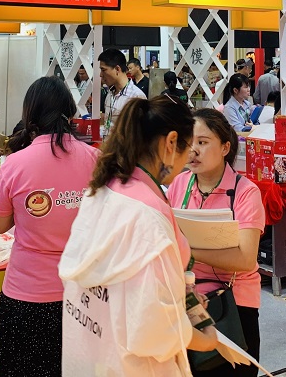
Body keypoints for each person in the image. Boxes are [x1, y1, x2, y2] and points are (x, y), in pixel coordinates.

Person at [58, 96, 219, 376]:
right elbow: (151, 329)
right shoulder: (147, 215)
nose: (186, 161)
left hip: (93, 351)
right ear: (171, 143)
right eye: (188, 148)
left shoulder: (104, 190)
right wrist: (205, 340)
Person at [0, 77, 99, 377]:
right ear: (70, 112)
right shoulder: (96, 160)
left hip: (28, 295)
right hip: (84, 295)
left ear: (30, 113)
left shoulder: (15, 163)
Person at [167, 109, 265, 377]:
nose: (193, 150)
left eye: (202, 142)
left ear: (225, 147)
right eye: (189, 142)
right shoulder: (179, 184)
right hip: (187, 300)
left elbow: (245, 259)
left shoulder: (246, 192)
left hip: (234, 303)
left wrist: (188, 251)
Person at [98, 49, 146, 138]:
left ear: (117, 69)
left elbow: (141, 134)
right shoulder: (110, 94)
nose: (101, 74)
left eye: (103, 70)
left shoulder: (136, 96)